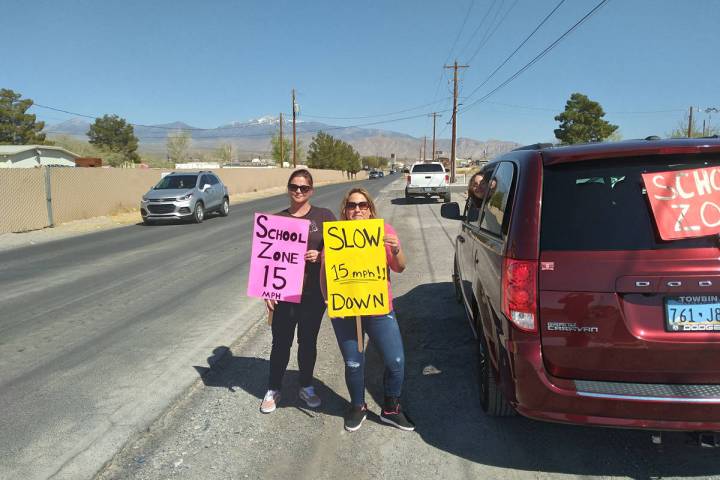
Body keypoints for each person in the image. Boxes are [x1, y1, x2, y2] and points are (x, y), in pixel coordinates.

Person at [326, 187, 414, 432]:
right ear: (345, 209)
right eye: (352, 205)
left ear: (370, 208)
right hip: (346, 310)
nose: (357, 209)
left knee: (396, 361)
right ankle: (357, 406)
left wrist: (396, 249)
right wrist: (327, 299)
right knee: (353, 363)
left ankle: (391, 408)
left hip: (379, 307)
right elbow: (325, 274)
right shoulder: (335, 235)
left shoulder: (383, 232)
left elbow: (400, 267)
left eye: (362, 205)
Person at [260, 169, 336, 414]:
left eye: (304, 188)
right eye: (294, 186)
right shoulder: (277, 221)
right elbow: (268, 260)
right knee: (280, 342)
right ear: (288, 188)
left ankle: (306, 385)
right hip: (285, 293)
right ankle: (273, 388)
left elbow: (340, 250)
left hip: (314, 294)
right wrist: (268, 290)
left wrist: (321, 254)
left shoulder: (325, 216)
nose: (299, 191)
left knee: (308, 342)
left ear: (311, 190)